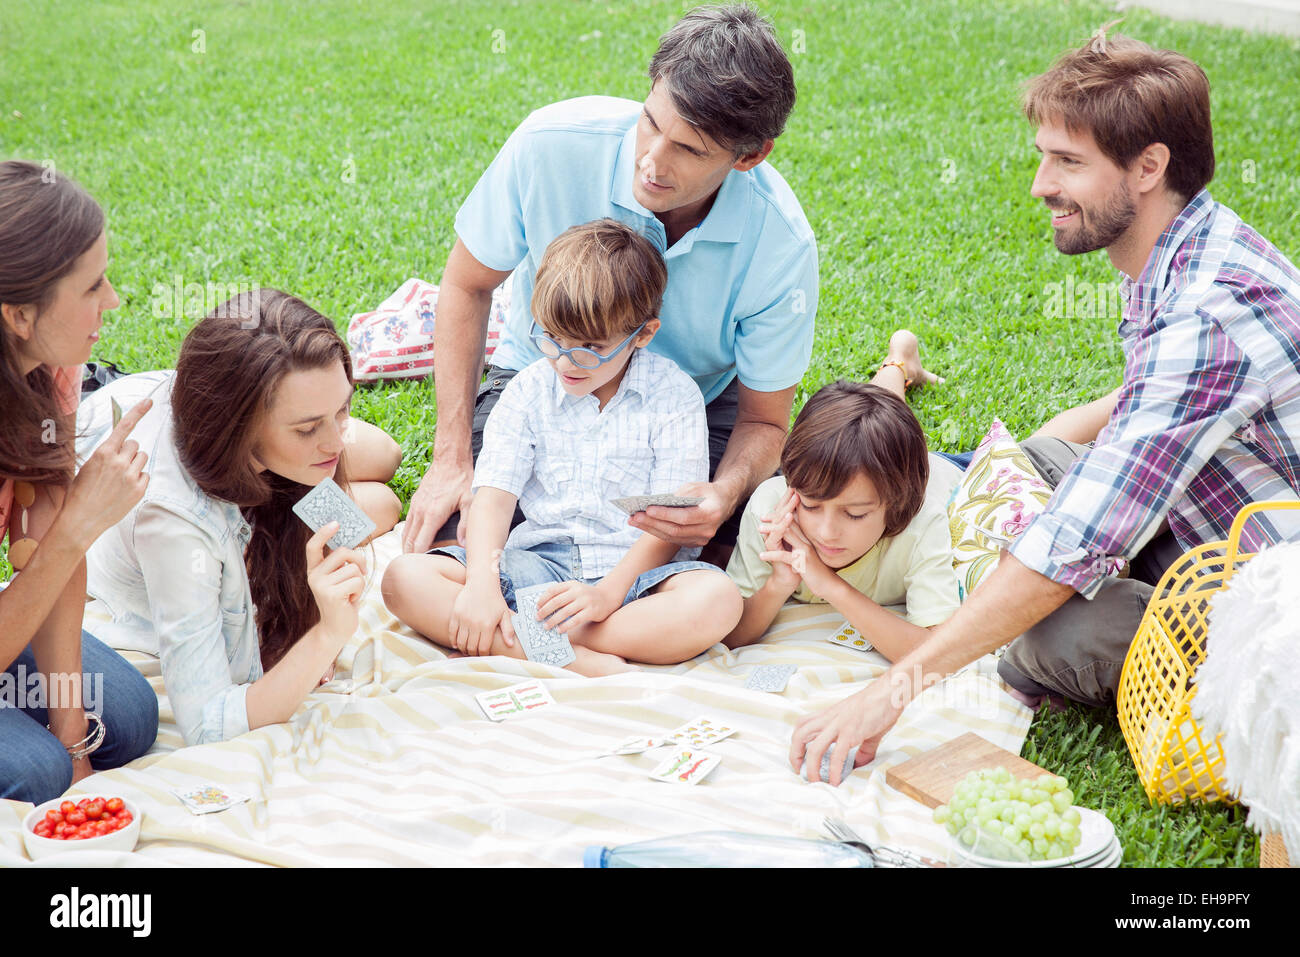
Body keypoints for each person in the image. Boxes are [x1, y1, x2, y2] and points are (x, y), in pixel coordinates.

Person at [790, 30, 1300, 784]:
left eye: (1067, 162)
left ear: (1149, 166)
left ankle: (1122, 659)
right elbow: (1139, 410)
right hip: (1197, 522)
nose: (1039, 185)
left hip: (1269, 604)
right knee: (1029, 472)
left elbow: (1075, 539)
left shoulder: (1208, 313)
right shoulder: (1184, 246)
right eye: (1044, 155)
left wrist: (894, 687)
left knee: (1044, 635)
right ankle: (1027, 595)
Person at [401, 4, 820, 564]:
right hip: (541, 378)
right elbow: (466, 286)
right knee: (453, 548)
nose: (651, 160)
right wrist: (451, 456)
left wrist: (723, 495)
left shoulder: (781, 245)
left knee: (730, 567)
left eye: (689, 150)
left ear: (750, 156)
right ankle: (582, 643)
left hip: (690, 410)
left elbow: (764, 420)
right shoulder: (549, 144)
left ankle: (573, 633)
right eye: (651, 121)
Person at [383, 220, 743, 674]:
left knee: (717, 600)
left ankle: (524, 642)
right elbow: (494, 496)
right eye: (552, 338)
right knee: (404, 579)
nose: (566, 361)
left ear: (644, 334)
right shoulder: (529, 390)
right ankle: (582, 660)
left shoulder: (674, 395)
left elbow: (666, 526)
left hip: (633, 582)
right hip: (536, 568)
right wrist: (480, 585)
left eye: (591, 347)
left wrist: (606, 595)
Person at [78, 291, 404, 746]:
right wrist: (326, 635)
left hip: (155, 393)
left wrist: (317, 427)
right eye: (309, 427)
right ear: (239, 426)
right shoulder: (173, 523)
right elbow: (209, 724)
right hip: (99, 414)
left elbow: (335, 496)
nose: (336, 441)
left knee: (386, 467)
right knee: (377, 507)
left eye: (343, 409)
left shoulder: (288, 440)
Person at [0, 160, 158, 803]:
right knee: (36, 773)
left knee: (123, 719)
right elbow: (61, 546)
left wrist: (73, 742)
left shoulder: (52, 371)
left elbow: (46, 551)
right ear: (18, 315)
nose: (113, 300)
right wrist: (79, 529)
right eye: (92, 287)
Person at [724, 374, 960, 661]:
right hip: (860, 470)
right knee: (873, 417)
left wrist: (828, 584)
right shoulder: (772, 509)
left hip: (945, 468)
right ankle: (897, 361)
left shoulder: (922, 523)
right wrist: (779, 583)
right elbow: (732, 634)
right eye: (810, 506)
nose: (826, 532)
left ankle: (899, 361)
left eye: (855, 515)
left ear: (897, 506)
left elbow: (939, 654)